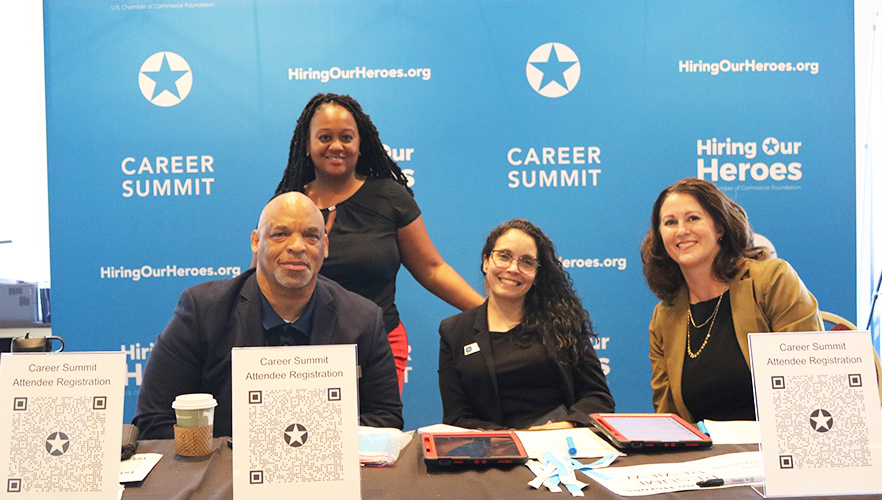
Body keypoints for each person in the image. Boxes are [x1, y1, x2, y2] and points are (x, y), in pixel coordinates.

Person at [133, 192, 403, 439]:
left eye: (311, 236)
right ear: (255, 241)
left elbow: (385, 417)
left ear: (325, 246)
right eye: (280, 234)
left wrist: (310, 448)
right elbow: (154, 419)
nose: (297, 246)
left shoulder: (364, 318)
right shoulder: (202, 311)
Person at [273, 93, 484, 392]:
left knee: (374, 435)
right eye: (324, 137)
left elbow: (432, 269)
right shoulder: (289, 205)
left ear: (361, 144)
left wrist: (490, 312)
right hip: (305, 352)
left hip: (380, 345)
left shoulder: (389, 196)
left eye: (346, 137)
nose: (336, 146)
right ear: (307, 145)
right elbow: (262, 281)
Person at [641, 177, 822, 423]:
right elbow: (669, 417)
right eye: (670, 222)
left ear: (719, 228)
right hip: (703, 457)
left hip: (777, 448)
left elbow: (811, 380)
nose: (682, 230)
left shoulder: (772, 280)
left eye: (693, 218)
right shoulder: (663, 317)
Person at [438, 219, 614, 429]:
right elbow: (456, 418)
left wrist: (567, 425)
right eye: (504, 256)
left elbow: (598, 397)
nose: (513, 268)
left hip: (559, 446)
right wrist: (512, 439)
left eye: (527, 262)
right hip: (494, 451)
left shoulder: (562, 323)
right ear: (486, 262)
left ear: (537, 275)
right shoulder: (454, 331)